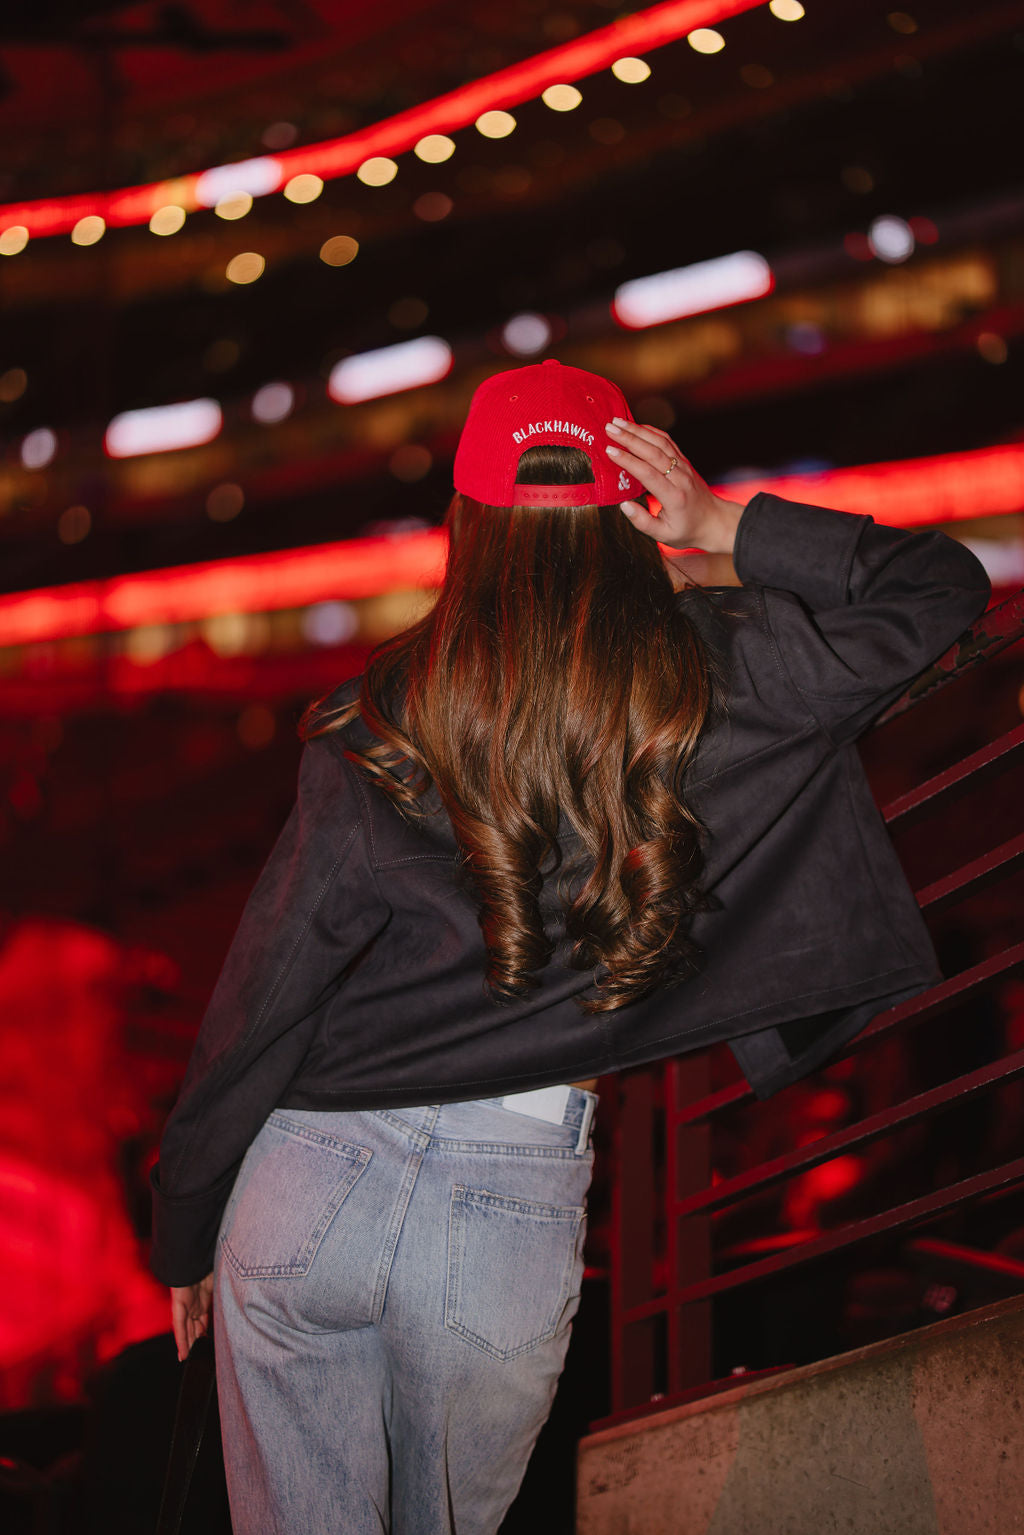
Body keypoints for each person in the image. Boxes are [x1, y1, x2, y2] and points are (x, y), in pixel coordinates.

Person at [150, 360, 989, 1534]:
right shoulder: (732, 671)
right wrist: (725, 524)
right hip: (504, 1190)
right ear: (626, 501)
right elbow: (939, 586)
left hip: (307, 1177)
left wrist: (185, 1227)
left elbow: (266, 992)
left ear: (467, 520)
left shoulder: (375, 714)